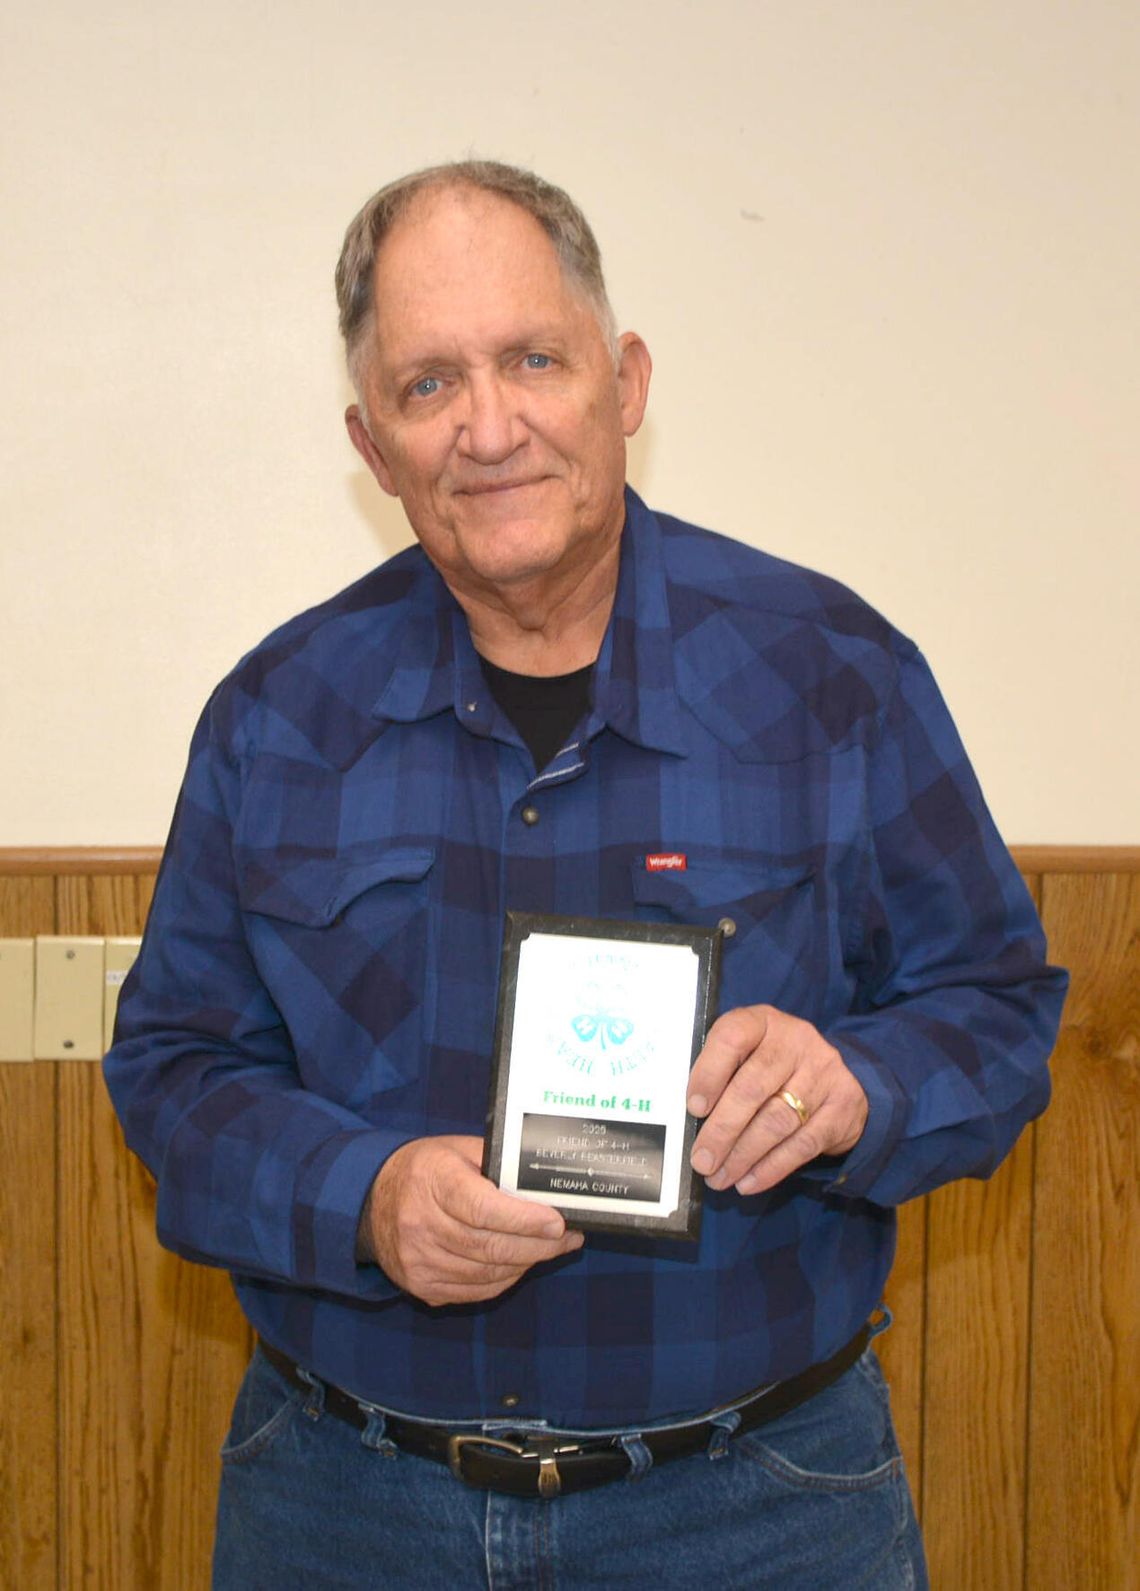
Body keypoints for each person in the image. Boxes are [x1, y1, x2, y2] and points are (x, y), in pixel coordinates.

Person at [105, 160, 1067, 1589]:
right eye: (429, 387)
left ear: (624, 382)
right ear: (374, 446)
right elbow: (175, 1069)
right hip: (344, 1510)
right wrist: (360, 1198)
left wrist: (859, 1087)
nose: (489, 427)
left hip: (761, 1513)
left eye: (532, 361)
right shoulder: (277, 713)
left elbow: (997, 1009)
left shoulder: (833, 675)